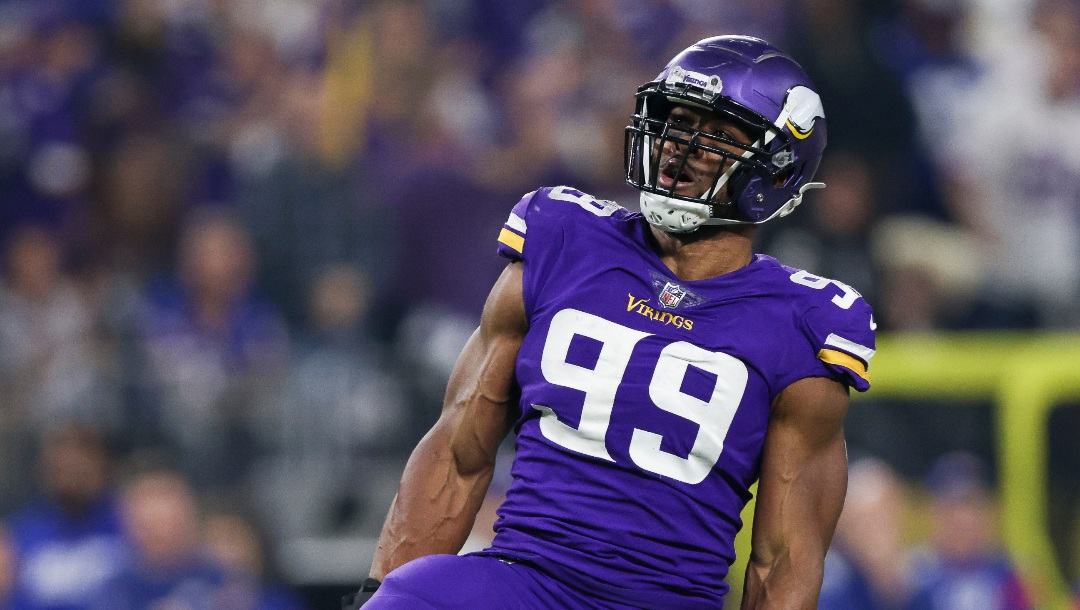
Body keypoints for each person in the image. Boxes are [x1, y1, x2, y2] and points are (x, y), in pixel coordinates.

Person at [353, 35, 876, 609]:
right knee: (415, 595)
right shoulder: (563, 237)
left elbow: (783, 560)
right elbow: (459, 455)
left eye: (716, 139)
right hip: (525, 580)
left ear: (776, 170)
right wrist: (377, 592)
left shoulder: (805, 323)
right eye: (677, 125)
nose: (680, 149)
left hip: (662, 601)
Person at [905, 452, 1032, 610]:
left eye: (970, 505)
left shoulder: (1014, 578)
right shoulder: (912, 577)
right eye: (949, 509)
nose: (960, 520)